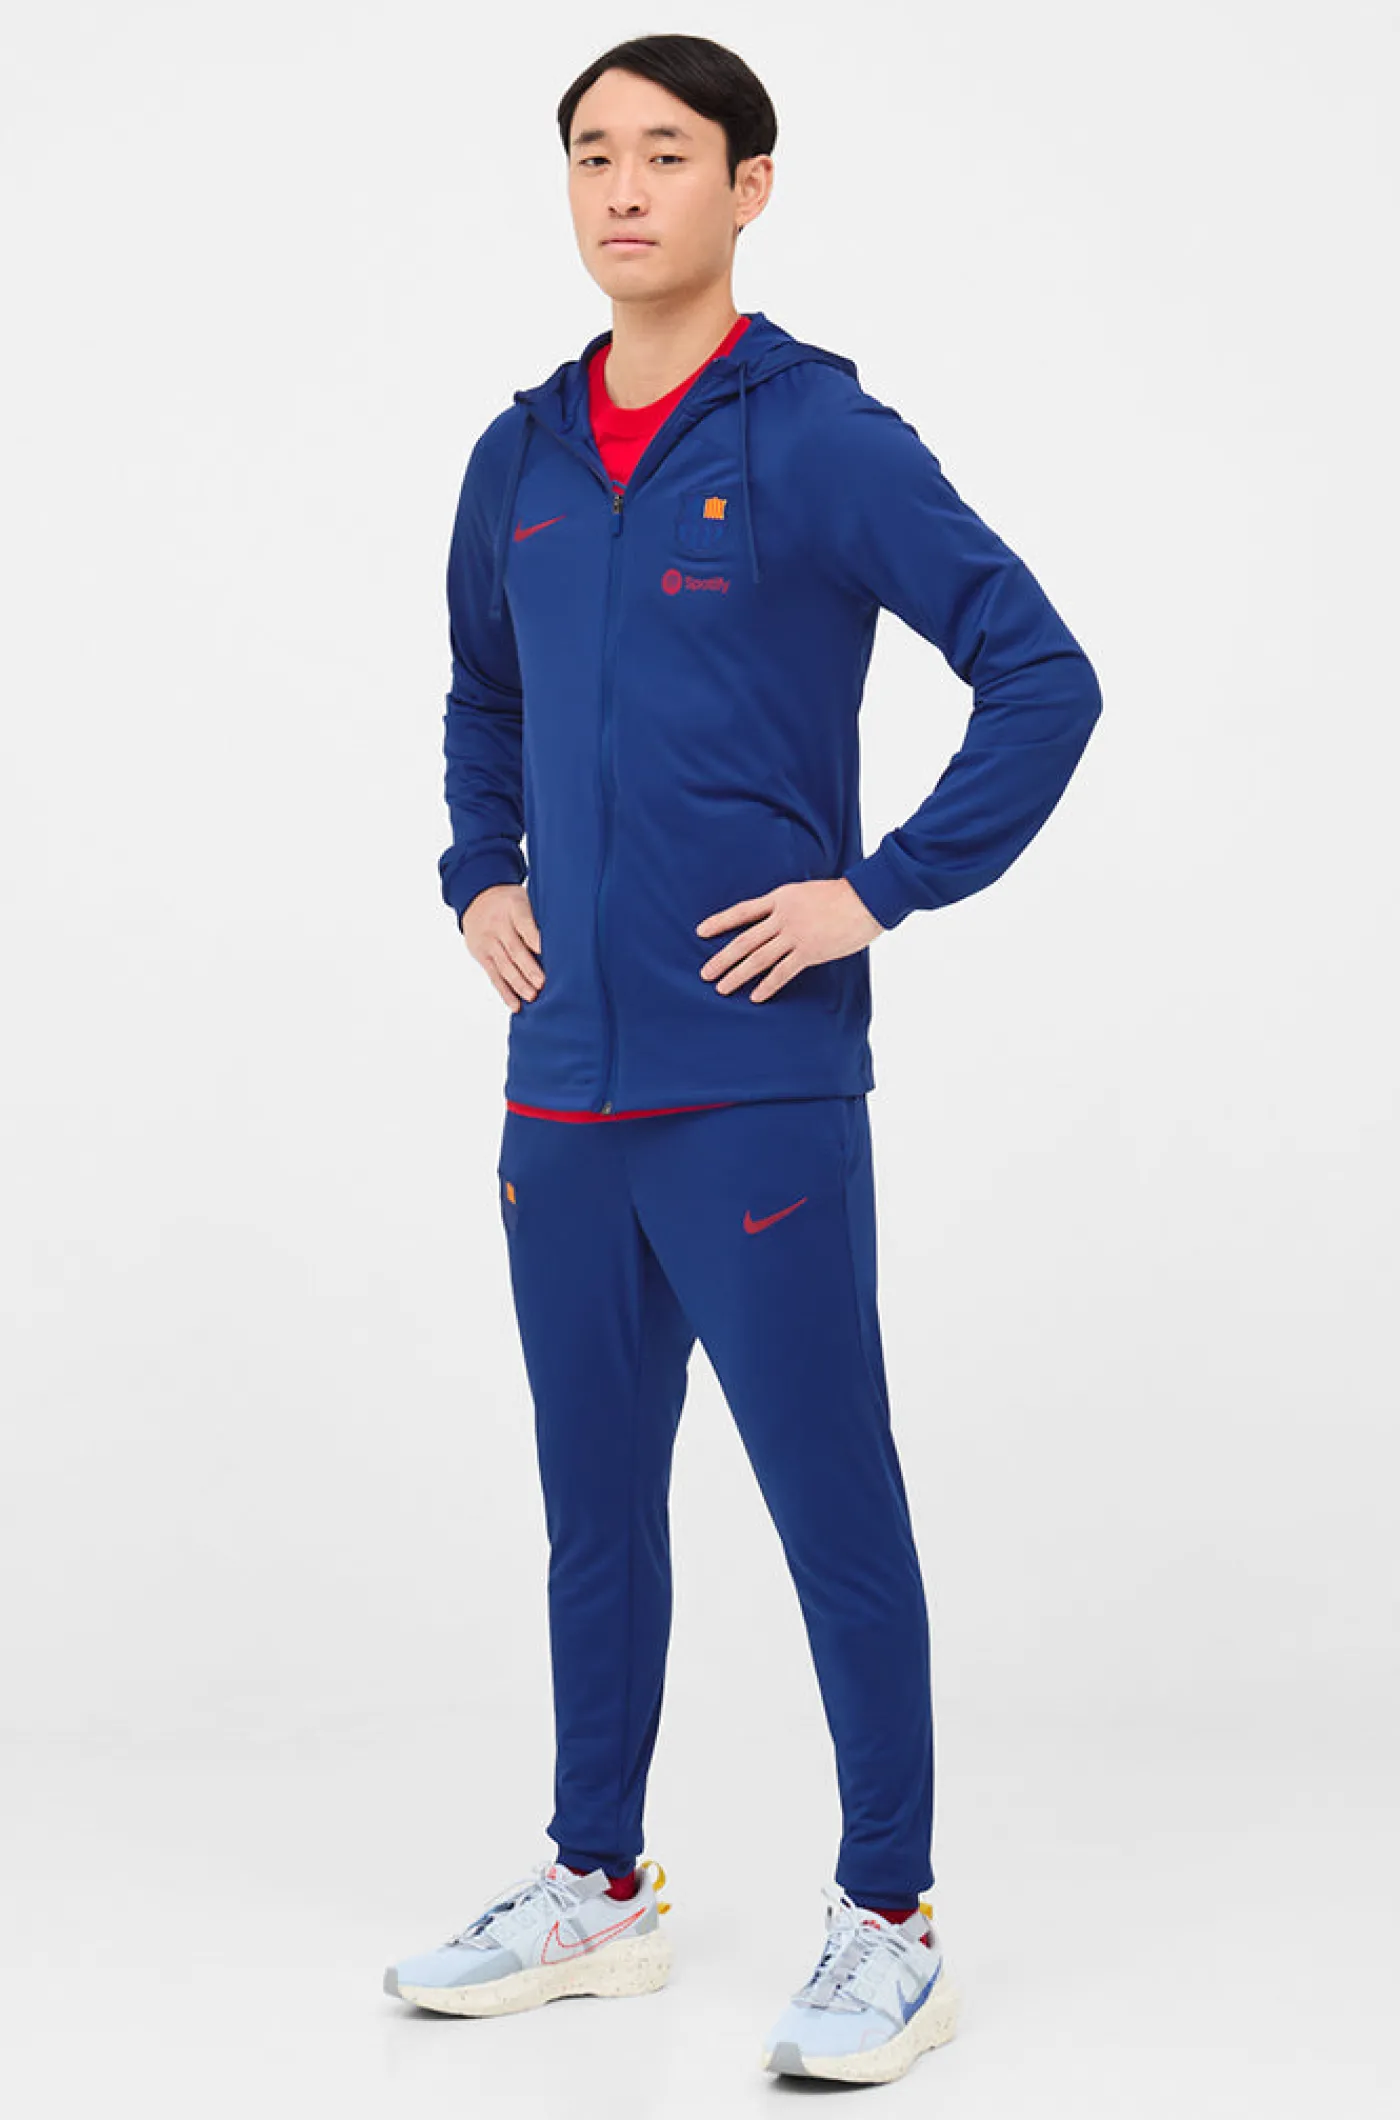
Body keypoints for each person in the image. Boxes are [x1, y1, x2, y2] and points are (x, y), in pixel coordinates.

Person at [382, 32, 1102, 2087]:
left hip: (756, 1091)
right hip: (562, 1094)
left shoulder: (816, 438)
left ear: (748, 186)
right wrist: (478, 871)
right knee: (593, 1516)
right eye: (591, 154)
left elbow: (1041, 673)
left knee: (828, 1501)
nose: (623, 189)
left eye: (666, 154)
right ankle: (596, 1886)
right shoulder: (520, 454)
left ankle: (892, 1919)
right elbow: (483, 698)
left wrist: (879, 891)